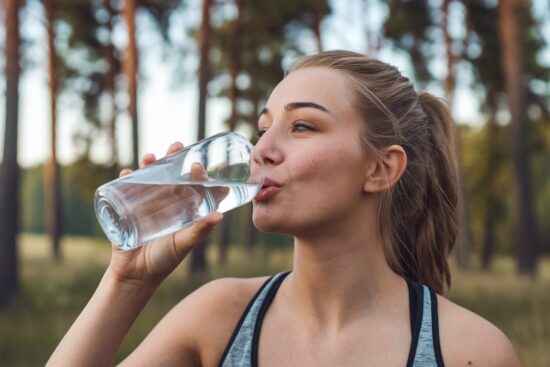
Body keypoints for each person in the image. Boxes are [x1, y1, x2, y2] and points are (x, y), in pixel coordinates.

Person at [47, 50, 522, 367]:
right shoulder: (220, 316)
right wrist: (127, 281)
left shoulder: (471, 351)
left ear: (380, 169)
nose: (261, 150)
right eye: (264, 126)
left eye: (302, 127)